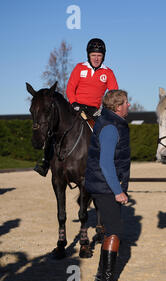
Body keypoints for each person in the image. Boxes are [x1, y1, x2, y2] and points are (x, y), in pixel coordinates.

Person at [33, 38, 118, 177]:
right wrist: (73, 103)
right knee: (54, 127)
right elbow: (70, 88)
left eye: (99, 56)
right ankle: (45, 162)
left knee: (105, 132)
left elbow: (114, 93)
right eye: (93, 55)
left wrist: (105, 108)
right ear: (88, 55)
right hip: (75, 107)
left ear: (103, 56)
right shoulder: (79, 68)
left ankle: (106, 164)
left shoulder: (108, 73)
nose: (96, 58)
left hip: (94, 110)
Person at [85, 89, 131, 281]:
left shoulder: (110, 122)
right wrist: (118, 191)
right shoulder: (111, 127)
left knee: (110, 230)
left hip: (103, 186)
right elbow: (105, 164)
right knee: (115, 232)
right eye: (126, 102)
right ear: (118, 106)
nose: (129, 105)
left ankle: (100, 277)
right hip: (105, 187)